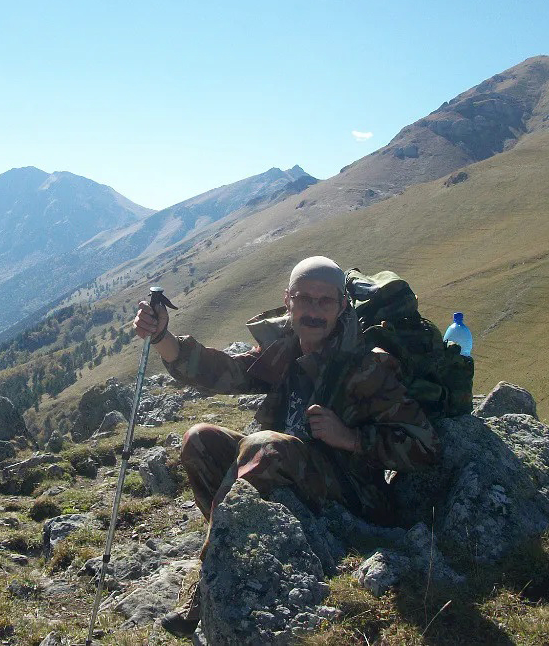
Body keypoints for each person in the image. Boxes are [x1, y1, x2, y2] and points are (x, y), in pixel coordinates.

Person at [132, 256, 441, 637]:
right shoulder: (287, 348)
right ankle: (233, 541)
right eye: (303, 298)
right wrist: (163, 338)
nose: (313, 310)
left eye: (325, 301)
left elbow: (425, 446)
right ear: (288, 300)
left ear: (342, 306)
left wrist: (351, 438)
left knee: (263, 445)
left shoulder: (367, 367)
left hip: (349, 493)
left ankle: (209, 576)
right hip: (288, 470)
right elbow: (226, 372)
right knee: (200, 439)